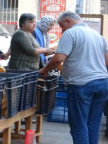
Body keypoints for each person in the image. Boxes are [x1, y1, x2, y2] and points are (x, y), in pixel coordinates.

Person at [39, 11, 108, 144]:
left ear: (69, 21)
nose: (62, 29)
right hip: (103, 83)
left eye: (61, 26)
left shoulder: (70, 33)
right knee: (93, 124)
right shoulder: (98, 36)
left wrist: (45, 69)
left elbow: (58, 59)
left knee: (79, 125)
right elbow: (107, 62)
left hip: (82, 85)